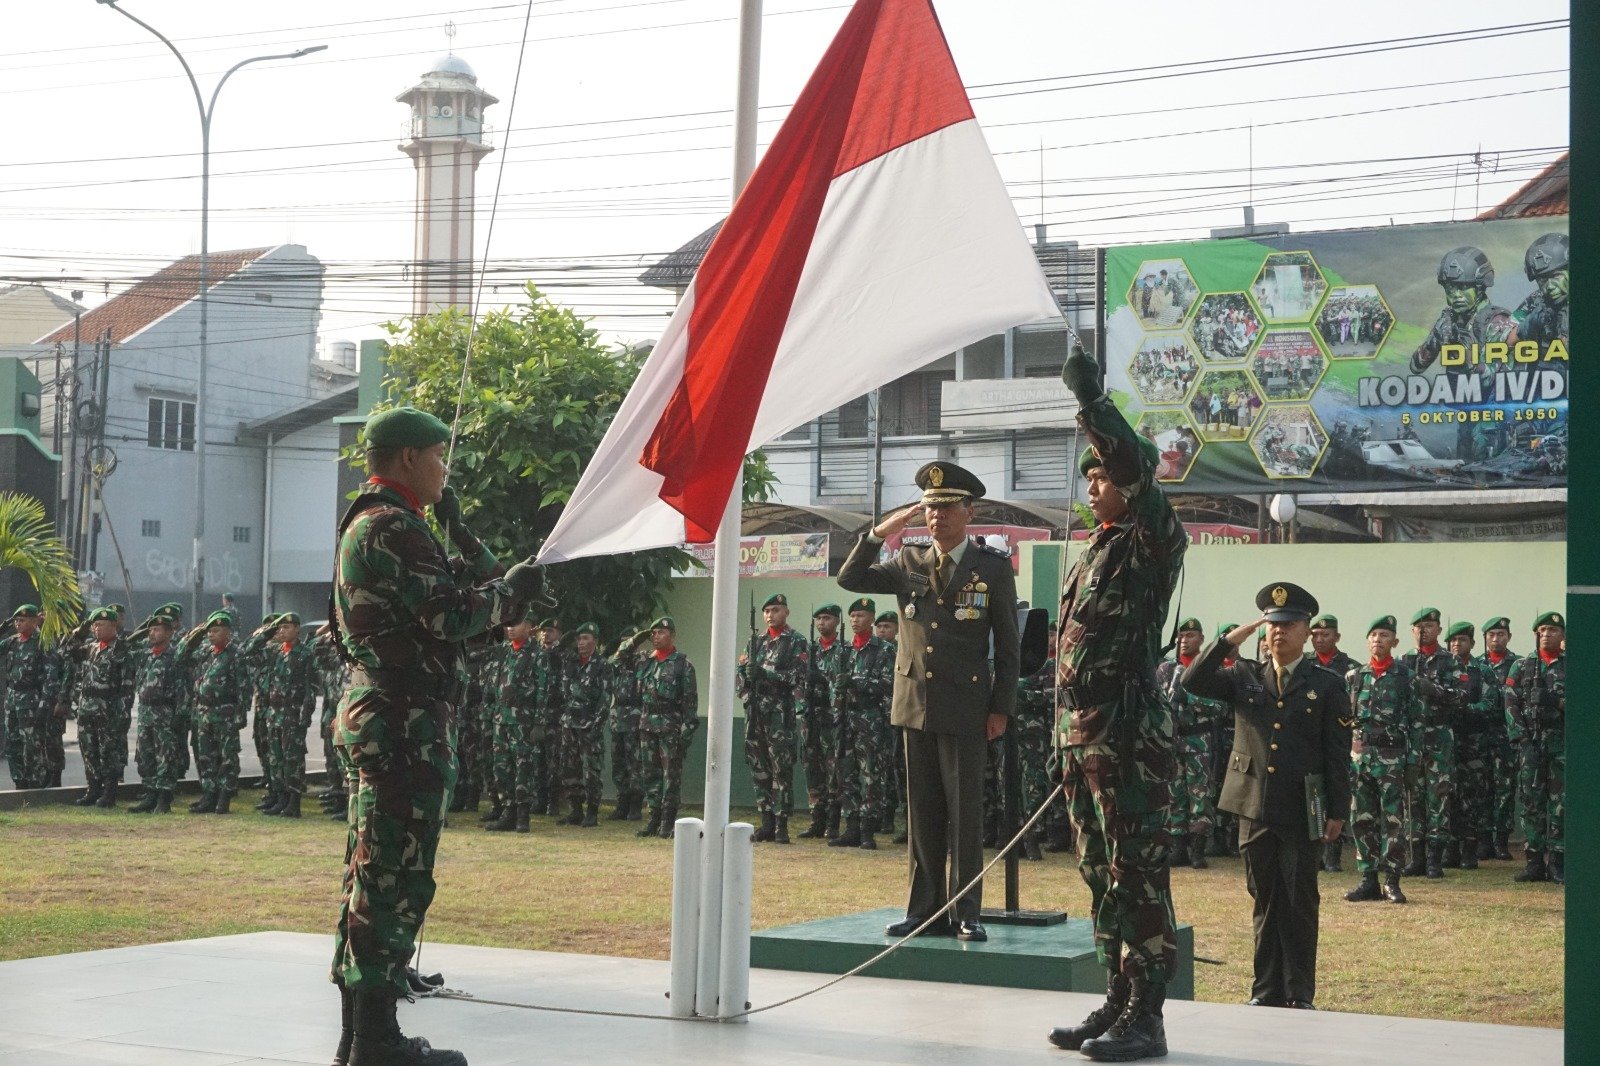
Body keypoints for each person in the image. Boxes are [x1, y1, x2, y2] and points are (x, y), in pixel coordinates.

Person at [327, 407, 542, 1065]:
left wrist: (467, 541)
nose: (446, 470)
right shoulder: (392, 528)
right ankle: (377, 1043)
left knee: (377, 871)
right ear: (412, 458)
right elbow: (456, 614)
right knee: (393, 876)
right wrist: (506, 594)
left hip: (394, 717)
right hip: (403, 722)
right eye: (441, 458)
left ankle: (360, 1037)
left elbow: (460, 608)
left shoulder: (390, 524)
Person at [1045, 346, 1185, 1063]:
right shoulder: (1094, 551)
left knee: (1136, 872)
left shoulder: (1152, 538)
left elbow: (1133, 464)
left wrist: (1094, 405)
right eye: (1090, 476)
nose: (1096, 484)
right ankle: (1117, 995)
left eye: (1105, 474)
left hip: (1128, 735)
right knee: (1099, 871)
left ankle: (1149, 1015)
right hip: (1083, 731)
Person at [839, 459, 1019, 946]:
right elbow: (850, 579)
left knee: (964, 816)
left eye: (947, 507)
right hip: (914, 703)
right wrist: (880, 532)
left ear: (968, 511)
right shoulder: (908, 561)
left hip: (967, 706)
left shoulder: (992, 568)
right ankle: (924, 910)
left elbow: (1008, 644)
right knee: (922, 815)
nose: (936, 517)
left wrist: (1001, 707)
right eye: (929, 508)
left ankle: (967, 912)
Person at [1184, 583, 1351, 1011]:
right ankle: (1265, 990)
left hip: (1301, 808)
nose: (1279, 633)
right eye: (1273, 625)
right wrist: (1228, 641)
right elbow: (1193, 679)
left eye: (1289, 624)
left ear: (1307, 630)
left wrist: (1337, 811)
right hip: (1253, 807)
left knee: (1299, 901)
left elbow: (1336, 754)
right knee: (1264, 899)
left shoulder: (1327, 685)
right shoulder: (1245, 676)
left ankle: (1299, 993)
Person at [1342, 616, 1417, 905]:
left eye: (1384, 635)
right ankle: (1368, 880)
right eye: (1373, 635)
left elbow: (1416, 721)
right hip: (1360, 758)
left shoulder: (1405, 677)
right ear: (1367, 641)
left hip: (1393, 759)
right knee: (1361, 818)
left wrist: (1412, 761)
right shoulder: (1354, 676)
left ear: (1394, 642)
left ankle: (1392, 881)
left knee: (1394, 820)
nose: (1378, 640)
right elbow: (1345, 721)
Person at [737, 593, 809, 844]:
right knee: (759, 768)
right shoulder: (755, 642)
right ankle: (766, 820)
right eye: (767, 611)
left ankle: (781, 824)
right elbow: (740, 674)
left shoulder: (796, 642)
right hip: (755, 712)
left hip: (780, 714)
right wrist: (746, 691)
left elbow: (798, 678)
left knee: (781, 770)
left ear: (786, 612)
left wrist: (765, 674)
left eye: (775, 610)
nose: (770, 615)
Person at [1156, 618, 1227, 870]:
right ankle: (1178, 849)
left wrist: (1191, 699)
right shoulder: (1165, 669)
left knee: (1200, 793)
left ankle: (1198, 849)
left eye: (1190, 635)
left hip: (1200, 740)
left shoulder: (1211, 668)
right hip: (1173, 739)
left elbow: (1221, 707)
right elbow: (1157, 702)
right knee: (1175, 794)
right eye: (1181, 635)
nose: (1184, 640)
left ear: (1201, 639)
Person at [1399, 608, 1461, 880]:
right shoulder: (1403, 662)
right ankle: (1417, 858)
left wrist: (1434, 689)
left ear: (1438, 630)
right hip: (1412, 739)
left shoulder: (1450, 661)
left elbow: (1461, 696)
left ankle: (1435, 859)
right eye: (1419, 626)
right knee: (1412, 797)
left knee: (1439, 796)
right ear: (1412, 631)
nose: (1424, 630)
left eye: (1430, 625)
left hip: (1439, 737)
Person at [1505, 611, 1566, 884]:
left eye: (1553, 630)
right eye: (1542, 630)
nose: (1547, 634)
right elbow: (1510, 702)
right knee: (1531, 803)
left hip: (1561, 745)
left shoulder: (1572, 665)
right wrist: (1521, 738)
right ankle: (1533, 862)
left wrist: (1555, 702)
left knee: (1560, 804)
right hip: (1530, 744)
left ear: (1562, 636)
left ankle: (1557, 861)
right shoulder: (1522, 666)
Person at [829, 597, 894, 850]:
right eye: (853, 616)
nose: (856, 620)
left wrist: (856, 683)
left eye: (861, 616)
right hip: (844, 719)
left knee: (872, 775)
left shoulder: (884, 650)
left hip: (871, 720)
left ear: (872, 618)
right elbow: (833, 683)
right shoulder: (842, 650)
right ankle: (852, 827)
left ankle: (868, 829)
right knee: (846, 774)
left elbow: (890, 684)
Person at [1441, 622, 1501, 869]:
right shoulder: (1442, 670)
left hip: (1474, 744)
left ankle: (1469, 850)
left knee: (1472, 798)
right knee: (1447, 796)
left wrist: (1464, 709)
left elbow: (1490, 704)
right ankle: (1450, 849)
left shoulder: (1482, 671)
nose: (1457, 644)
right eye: (1453, 640)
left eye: (1462, 640)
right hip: (1446, 744)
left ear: (1473, 644)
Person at [636, 616, 698, 838]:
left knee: (670, 777)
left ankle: (667, 822)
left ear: (672, 635)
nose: (655, 636)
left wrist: (685, 735)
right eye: (652, 633)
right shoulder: (646, 662)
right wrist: (636, 639)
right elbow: (617, 660)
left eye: (661, 632)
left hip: (670, 728)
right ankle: (653, 819)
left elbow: (690, 706)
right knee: (650, 774)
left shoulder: (682, 665)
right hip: (647, 726)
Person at [1306, 615, 1359, 872]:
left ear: (1337, 637)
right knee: (1313, 797)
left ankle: (1334, 856)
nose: (1319, 639)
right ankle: (1314, 854)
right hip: (1310, 741)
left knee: (1336, 793)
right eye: (1314, 634)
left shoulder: (1351, 667)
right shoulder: (1304, 665)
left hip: (1338, 739)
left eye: (1325, 634)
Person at [184, 612, 249, 815]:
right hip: (204, 713)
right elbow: (181, 655)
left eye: (216, 631)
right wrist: (198, 632)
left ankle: (224, 798)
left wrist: (240, 715)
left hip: (225, 713)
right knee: (207, 758)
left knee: (227, 758)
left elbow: (244, 688)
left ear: (228, 633)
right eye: (209, 631)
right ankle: (209, 795)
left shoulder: (236, 654)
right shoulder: (206, 652)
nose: (211, 635)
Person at [70, 607, 135, 808]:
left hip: (108, 710)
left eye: (101, 625)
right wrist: (79, 633)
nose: (97, 629)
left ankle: (109, 793)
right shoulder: (92, 647)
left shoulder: (122, 650)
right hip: (87, 708)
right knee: (89, 750)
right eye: (95, 625)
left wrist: (123, 715)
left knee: (108, 752)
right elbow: (66, 652)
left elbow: (127, 687)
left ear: (114, 626)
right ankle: (93, 789)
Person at [126, 605, 187, 814]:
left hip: (165, 712)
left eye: (157, 629)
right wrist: (143, 628)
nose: (152, 633)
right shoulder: (146, 655)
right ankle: (150, 795)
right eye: (151, 630)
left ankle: (164, 799)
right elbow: (125, 645)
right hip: (145, 712)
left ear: (170, 632)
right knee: (147, 755)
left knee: (166, 757)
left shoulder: (175, 657)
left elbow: (182, 690)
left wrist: (180, 716)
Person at [486, 611, 543, 834]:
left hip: (523, 720)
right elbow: (495, 685)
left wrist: (539, 722)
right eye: (508, 625)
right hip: (502, 719)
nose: (510, 628)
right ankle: (507, 811)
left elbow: (543, 689)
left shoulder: (537, 655)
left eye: (516, 624)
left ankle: (522, 815)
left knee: (523, 767)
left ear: (529, 627)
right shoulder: (504, 652)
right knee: (501, 766)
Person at [260, 613, 318, 818]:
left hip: (293, 714)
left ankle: (294, 802)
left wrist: (305, 717)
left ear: (297, 629)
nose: (281, 631)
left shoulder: (305, 654)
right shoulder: (276, 652)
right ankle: (280, 798)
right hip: (274, 713)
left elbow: (311, 689)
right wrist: (269, 629)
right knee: (276, 758)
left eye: (286, 627)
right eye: (280, 627)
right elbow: (250, 649)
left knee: (292, 759)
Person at [558, 622, 612, 828]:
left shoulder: (603, 666)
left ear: (595, 642)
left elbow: (606, 700)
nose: (581, 643)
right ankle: (575, 810)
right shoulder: (570, 663)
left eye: (586, 639)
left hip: (590, 725)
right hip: (570, 724)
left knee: (591, 771)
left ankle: (592, 812)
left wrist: (595, 727)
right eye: (579, 639)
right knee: (570, 769)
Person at [800, 604, 845, 840]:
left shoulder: (843, 649)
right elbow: (798, 683)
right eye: (818, 619)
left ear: (837, 621)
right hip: (810, 717)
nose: (821, 623)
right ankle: (816, 820)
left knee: (833, 770)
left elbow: (840, 683)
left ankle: (833, 822)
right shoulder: (810, 649)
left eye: (826, 618)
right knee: (811, 769)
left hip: (831, 719)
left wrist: (823, 680)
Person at [1, 605, 54, 790]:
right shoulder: (12, 641)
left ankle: (36, 780)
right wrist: (3, 628)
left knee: (31, 743)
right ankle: (19, 780)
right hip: (13, 699)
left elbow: (51, 675)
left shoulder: (42, 642)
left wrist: (44, 703)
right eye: (16, 620)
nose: (18, 624)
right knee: (12, 742)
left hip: (32, 698)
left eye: (22, 620)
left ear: (34, 621)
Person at [1477, 616, 1518, 860]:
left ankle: (1501, 840)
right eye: (1491, 635)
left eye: (1501, 634)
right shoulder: (1475, 665)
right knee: (1482, 788)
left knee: (1505, 789)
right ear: (1485, 639)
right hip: (1480, 737)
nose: (1496, 638)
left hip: (1506, 737)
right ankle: (1484, 840)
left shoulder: (1518, 665)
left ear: (1509, 637)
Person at [607, 629, 652, 821]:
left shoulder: (643, 661)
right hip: (618, 716)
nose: (628, 645)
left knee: (635, 763)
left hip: (635, 716)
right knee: (619, 764)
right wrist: (629, 643)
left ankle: (635, 804)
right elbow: (615, 659)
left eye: (632, 641)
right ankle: (622, 802)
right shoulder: (617, 662)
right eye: (624, 641)